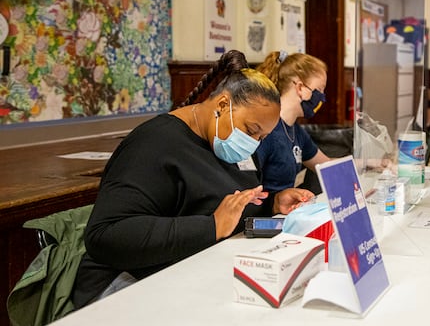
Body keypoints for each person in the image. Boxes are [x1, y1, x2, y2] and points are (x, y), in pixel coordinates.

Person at [72, 50, 313, 308]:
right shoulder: (154, 144)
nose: (253, 144)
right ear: (222, 105)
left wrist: (273, 204)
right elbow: (105, 236)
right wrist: (211, 227)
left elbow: (227, 206)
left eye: (262, 138)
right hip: (124, 282)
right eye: (251, 131)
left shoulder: (226, 143)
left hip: (194, 269)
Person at [254, 50, 330, 195]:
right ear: (300, 87)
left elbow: (326, 165)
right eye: (319, 89)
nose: (322, 98)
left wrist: (370, 163)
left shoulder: (296, 130)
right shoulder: (265, 130)